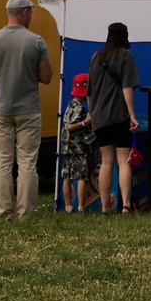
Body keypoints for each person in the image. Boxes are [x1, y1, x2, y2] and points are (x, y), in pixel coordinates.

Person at [0, 0, 53, 219]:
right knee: (28, 162)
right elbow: (46, 77)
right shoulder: (37, 41)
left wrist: (1, 77)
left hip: (0, 110)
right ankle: (25, 213)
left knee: (2, 163)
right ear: (25, 12)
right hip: (28, 109)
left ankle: (3, 212)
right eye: (32, 12)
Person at [86, 20, 140, 215]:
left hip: (100, 117)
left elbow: (89, 92)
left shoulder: (95, 57)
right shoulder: (125, 56)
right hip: (119, 116)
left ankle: (105, 207)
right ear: (125, 38)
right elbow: (127, 88)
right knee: (123, 160)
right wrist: (132, 115)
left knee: (106, 161)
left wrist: (93, 114)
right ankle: (125, 205)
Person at [58, 74, 95, 211]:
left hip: (66, 147)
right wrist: (86, 122)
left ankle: (68, 206)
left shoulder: (69, 106)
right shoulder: (80, 108)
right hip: (78, 147)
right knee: (81, 176)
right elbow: (71, 126)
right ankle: (80, 206)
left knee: (67, 176)